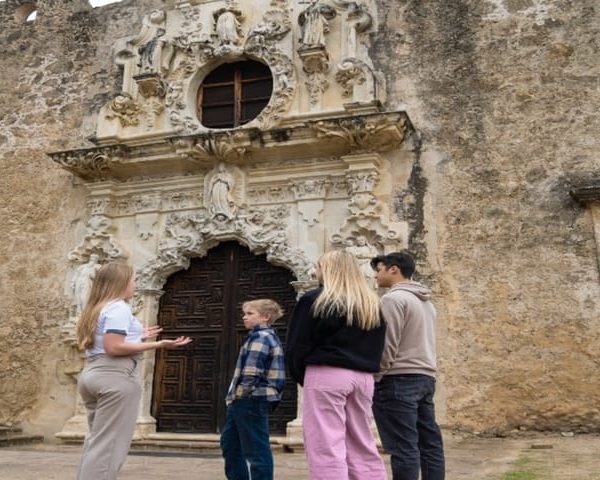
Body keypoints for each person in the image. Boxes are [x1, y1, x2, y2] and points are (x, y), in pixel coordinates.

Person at [75, 262, 192, 480]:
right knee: (110, 447)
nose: (136, 284)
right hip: (115, 377)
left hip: (92, 374)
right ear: (121, 282)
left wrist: (138, 335)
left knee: (97, 443)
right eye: (134, 280)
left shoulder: (97, 307)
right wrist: (158, 345)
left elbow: (104, 341)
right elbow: (114, 347)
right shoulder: (119, 307)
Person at [286, 249, 387, 480]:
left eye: (319, 266)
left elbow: (297, 344)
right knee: (362, 443)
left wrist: (303, 375)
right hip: (363, 377)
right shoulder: (371, 303)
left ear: (329, 270)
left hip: (327, 373)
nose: (315, 271)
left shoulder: (315, 299)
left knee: (325, 445)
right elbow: (379, 345)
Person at [370, 251, 445, 480]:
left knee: (403, 447)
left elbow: (388, 343)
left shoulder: (393, 299)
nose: (375, 276)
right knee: (430, 443)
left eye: (379, 269)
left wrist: (376, 374)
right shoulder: (426, 302)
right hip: (425, 377)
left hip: (397, 379)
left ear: (394, 269)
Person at [220, 299, 286, 480]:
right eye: (244, 313)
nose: (244, 317)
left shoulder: (261, 337)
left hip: (251, 399)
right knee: (230, 445)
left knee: (256, 450)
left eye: (250, 314)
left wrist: (240, 394)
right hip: (246, 399)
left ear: (265, 317)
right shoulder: (258, 336)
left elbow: (251, 372)